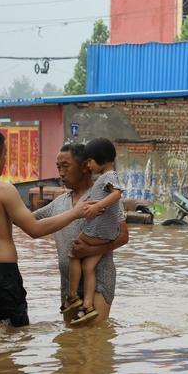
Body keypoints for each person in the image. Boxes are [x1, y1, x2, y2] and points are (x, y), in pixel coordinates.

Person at [0, 129, 89, 328]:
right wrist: (75, 212)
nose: (5, 160)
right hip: (2, 274)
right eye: (5, 155)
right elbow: (34, 229)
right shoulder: (4, 190)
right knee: (16, 334)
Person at [34, 143, 128, 325]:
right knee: (71, 341)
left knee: (94, 339)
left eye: (65, 166)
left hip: (99, 278)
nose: (61, 173)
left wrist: (90, 251)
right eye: (58, 168)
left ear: (85, 166)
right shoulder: (58, 203)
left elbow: (123, 236)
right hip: (69, 284)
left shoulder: (103, 197)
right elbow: (28, 221)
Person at [61, 138, 123, 325]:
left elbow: (117, 193)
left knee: (73, 252)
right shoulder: (101, 180)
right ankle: (87, 306)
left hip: (98, 233)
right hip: (104, 235)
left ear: (100, 159)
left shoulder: (109, 176)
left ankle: (72, 296)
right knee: (88, 267)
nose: (87, 165)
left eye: (90, 161)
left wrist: (96, 208)